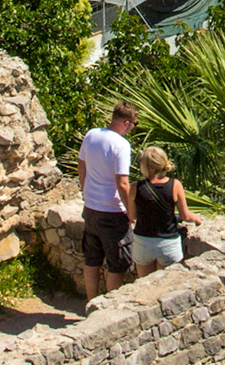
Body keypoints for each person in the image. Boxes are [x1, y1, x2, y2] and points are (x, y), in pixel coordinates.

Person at [76, 100, 137, 300]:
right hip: (112, 212)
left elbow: (81, 165)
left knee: (92, 261)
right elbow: (122, 183)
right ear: (127, 123)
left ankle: (91, 303)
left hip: (91, 207)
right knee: (116, 265)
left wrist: (86, 191)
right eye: (133, 125)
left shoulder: (91, 134)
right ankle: (108, 311)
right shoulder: (121, 145)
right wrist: (130, 210)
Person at [131, 147, 201, 276]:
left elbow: (132, 216)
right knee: (166, 287)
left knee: (145, 285)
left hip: (143, 241)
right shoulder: (175, 185)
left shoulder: (136, 187)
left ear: (147, 167)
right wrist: (196, 218)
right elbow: (185, 215)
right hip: (168, 241)